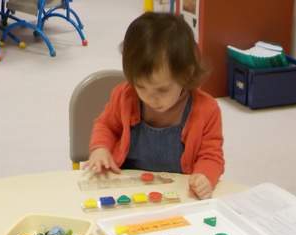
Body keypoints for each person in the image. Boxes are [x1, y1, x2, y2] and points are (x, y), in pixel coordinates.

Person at [87, 12, 223, 200]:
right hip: (127, 190)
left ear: (186, 74)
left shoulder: (207, 110)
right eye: (141, 87)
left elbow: (211, 156)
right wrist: (100, 148)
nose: (151, 98)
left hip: (176, 194)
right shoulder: (125, 96)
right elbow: (106, 126)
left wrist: (204, 177)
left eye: (162, 90)